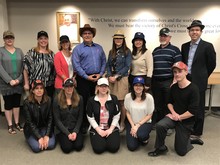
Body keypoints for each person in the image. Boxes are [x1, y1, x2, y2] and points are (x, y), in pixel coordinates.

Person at [148, 61, 200, 157]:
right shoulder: (174, 87)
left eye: (179, 71)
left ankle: (190, 139)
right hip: (174, 116)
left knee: (181, 151)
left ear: (186, 72)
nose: (177, 74)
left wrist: (179, 117)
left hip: (186, 120)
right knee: (160, 125)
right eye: (175, 72)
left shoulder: (194, 89)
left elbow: (193, 111)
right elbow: (169, 102)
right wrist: (173, 113)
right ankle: (160, 147)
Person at [181, 20, 216, 145]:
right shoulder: (184, 46)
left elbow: (212, 64)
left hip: (199, 81)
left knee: (199, 107)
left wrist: (203, 75)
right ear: (189, 32)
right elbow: (183, 63)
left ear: (200, 32)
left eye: (197, 30)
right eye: (192, 30)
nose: (194, 32)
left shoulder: (207, 46)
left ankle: (197, 132)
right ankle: (187, 127)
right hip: (186, 80)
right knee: (187, 105)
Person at [72, 24, 106, 134]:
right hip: (84, 79)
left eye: (89, 33)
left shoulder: (99, 48)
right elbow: (76, 65)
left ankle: (96, 122)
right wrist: (87, 76)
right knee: (84, 102)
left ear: (93, 35)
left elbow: (104, 61)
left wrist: (100, 74)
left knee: (97, 101)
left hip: (97, 79)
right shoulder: (78, 49)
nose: (87, 35)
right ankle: (84, 124)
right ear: (82, 35)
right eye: (85, 33)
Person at [151, 28, 182, 126]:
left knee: (168, 103)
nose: (163, 37)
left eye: (165, 36)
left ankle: (168, 124)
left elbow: (178, 67)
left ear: (169, 37)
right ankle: (160, 123)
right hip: (156, 81)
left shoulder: (175, 50)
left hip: (168, 81)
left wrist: (175, 81)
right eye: (161, 36)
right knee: (158, 103)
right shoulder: (155, 50)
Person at [106, 30, 132, 132]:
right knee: (112, 101)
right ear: (114, 39)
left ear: (123, 40)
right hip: (111, 80)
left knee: (121, 102)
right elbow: (108, 65)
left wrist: (116, 76)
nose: (118, 40)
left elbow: (127, 66)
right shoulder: (111, 51)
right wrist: (109, 76)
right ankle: (112, 121)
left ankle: (122, 122)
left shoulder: (127, 51)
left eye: (120, 38)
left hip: (122, 79)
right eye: (116, 38)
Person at [86, 78, 120, 154]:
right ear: (97, 87)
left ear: (108, 87)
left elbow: (117, 115)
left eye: (106, 86)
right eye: (101, 86)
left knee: (113, 148)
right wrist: (99, 130)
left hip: (111, 127)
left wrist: (110, 130)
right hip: (97, 127)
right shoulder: (91, 100)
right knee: (99, 149)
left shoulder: (114, 98)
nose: (104, 88)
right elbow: (90, 117)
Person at [0, 31, 24, 134]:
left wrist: (19, 79)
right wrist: (9, 80)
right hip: (6, 83)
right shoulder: (0, 51)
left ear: (14, 39)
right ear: (4, 39)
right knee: (8, 104)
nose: (9, 40)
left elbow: (24, 67)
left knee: (17, 103)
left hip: (18, 82)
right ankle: (10, 124)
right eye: (7, 38)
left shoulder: (19, 51)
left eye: (11, 38)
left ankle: (17, 123)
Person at [23, 80, 56, 153]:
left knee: (51, 145)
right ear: (33, 91)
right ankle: (31, 138)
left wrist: (47, 135)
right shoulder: (27, 103)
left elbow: (51, 119)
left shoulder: (49, 100)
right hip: (32, 129)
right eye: (37, 88)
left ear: (44, 90)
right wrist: (39, 137)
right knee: (36, 148)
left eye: (41, 88)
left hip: (44, 127)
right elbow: (29, 122)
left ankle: (43, 137)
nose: (39, 90)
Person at [53, 78, 84, 153]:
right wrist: (67, 133)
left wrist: (75, 131)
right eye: (67, 86)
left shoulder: (79, 98)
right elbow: (57, 120)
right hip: (63, 128)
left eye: (71, 86)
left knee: (78, 147)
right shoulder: (57, 99)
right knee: (67, 148)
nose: (69, 88)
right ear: (63, 87)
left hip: (75, 127)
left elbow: (80, 117)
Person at [124, 76, 154, 151]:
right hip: (132, 122)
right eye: (136, 85)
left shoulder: (149, 97)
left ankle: (144, 139)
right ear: (133, 86)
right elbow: (127, 112)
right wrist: (132, 126)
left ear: (143, 87)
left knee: (142, 135)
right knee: (132, 147)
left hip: (145, 122)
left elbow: (150, 115)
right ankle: (137, 136)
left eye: (140, 85)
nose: (138, 87)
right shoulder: (128, 97)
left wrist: (137, 125)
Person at [23, 30, 55, 99]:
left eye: (45, 38)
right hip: (36, 85)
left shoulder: (51, 54)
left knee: (48, 105)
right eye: (41, 38)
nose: (43, 40)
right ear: (37, 40)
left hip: (49, 85)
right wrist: (26, 83)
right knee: (35, 106)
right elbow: (25, 67)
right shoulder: (32, 52)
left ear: (48, 40)